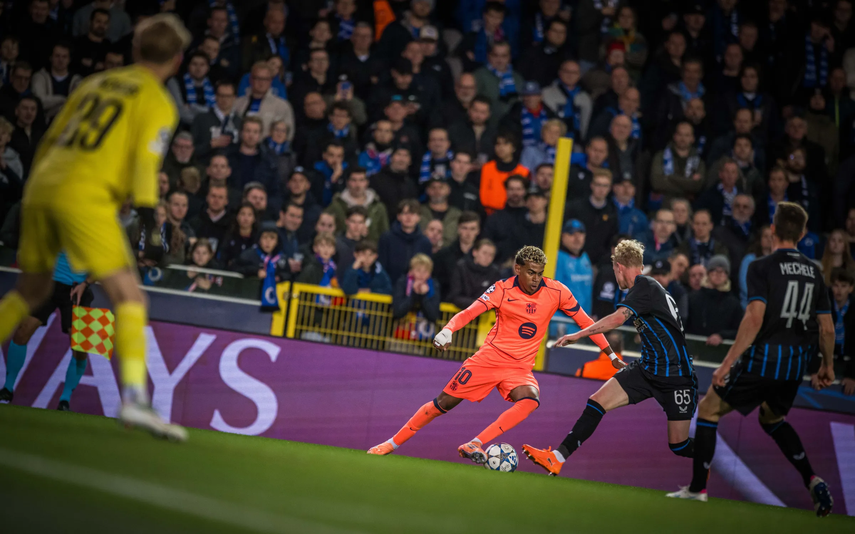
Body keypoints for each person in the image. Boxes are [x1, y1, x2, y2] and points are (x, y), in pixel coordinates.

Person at [0, 14, 191, 440]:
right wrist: (149, 224)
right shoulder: (158, 101)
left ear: (135, 49)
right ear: (177, 61)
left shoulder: (93, 83)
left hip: (42, 188)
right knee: (129, 296)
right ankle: (137, 401)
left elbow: (49, 139)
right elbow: (145, 166)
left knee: (28, 292)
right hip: (86, 198)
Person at [368, 246, 615, 462]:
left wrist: (610, 354)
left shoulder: (557, 291)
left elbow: (587, 323)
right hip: (489, 359)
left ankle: (475, 443)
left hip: (519, 368)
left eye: (540, 273)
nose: (536, 278)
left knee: (530, 399)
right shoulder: (502, 289)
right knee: (442, 404)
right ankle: (391, 443)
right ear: (517, 268)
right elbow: (469, 312)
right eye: (531, 272)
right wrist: (448, 329)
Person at [667, 202, 836, 517]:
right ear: (801, 233)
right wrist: (827, 366)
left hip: (765, 360)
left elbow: (754, 318)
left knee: (708, 408)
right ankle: (812, 479)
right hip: (795, 366)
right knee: (772, 418)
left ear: (772, 230)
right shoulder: (815, 271)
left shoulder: (761, 266)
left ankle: (697, 489)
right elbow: (827, 329)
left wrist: (728, 361)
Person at [523, 239, 697, 475]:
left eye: (615, 269)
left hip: (676, 375)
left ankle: (706, 454)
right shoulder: (649, 289)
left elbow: (617, 319)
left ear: (619, 266)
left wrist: (579, 335)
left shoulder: (644, 286)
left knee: (679, 445)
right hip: (648, 369)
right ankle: (556, 457)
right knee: (597, 401)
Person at [0, 253, 93, 410]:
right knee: (23, 331)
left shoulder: (97, 232)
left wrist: (86, 283)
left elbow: (107, 267)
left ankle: (65, 399)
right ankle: (7, 389)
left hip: (78, 288)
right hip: (47, 284)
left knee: (80, 347)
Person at [685, 255, 742, 346]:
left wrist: (722, 336)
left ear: (727, 276)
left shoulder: (733, 303)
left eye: (723, 272)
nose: (718, 274)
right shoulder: (692, 298)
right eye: (714, 270)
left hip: (720, 353)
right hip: (693, 348)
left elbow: (740, 330)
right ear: (708, 273)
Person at [565, 169, 618, 265]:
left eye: (605, 186)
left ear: (610, 188)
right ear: (592, 185)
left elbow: (611, 240)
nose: (601, 189)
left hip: (598, 264)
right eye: (598, 184)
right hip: (572, 260)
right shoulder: (576, 208)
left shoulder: (612, 212)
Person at [552, 219, 593, 337]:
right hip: (563, 324)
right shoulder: (557, 258)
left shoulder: (585, 258)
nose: (577, 238)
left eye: (580, 233)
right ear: (563, 236)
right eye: (571, 234)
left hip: (583, 325)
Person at [378, 199, 433, 285]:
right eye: (405, 213)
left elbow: (427, 269)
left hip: (414, 290)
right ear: (399, 216)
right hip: (388, 287)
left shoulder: (425, 242)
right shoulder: (387, 238)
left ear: (419, 218)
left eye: (413, 213)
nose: (409, 217)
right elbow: (381, 266)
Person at [327, 167, 389, 242]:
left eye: (361, 180)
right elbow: (327, 232)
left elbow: (385, 235)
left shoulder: (378, 207)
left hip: (372, 251)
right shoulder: (336, 206)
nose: (358, 184)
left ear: (367, 182)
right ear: (347, 182)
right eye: (354, 180)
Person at [433, 211, 481, 294]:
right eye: (464, 228)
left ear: (478, 231)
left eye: (472, 229)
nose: (468, 233)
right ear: (458, 229)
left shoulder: (483, 257)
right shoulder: (443, 255)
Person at [447, 239, 501, 309]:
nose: (487, 257)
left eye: (491, 255)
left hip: (483, 315)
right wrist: (474, 303)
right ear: (475, 252)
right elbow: (454, 295)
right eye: (484, 253)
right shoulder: (461, 267)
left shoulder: (495, 273)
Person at [419, 178, 461, 246]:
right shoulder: (418, 212)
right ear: (427, 190)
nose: (437, 191)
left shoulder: (457, 215)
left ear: (448, 190)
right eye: (433, 187)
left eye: (441, 187)